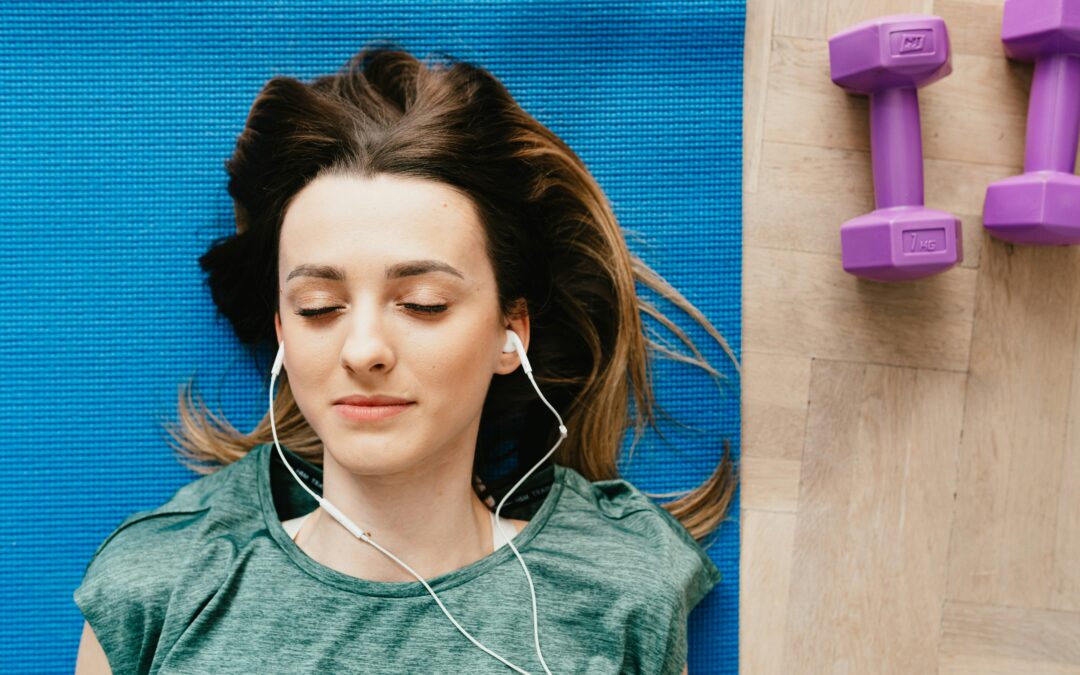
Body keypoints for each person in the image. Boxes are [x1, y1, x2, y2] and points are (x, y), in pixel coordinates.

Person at [73, 43, 739, 674]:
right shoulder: (158, 583)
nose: (364, 350)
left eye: (421, 302)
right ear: (281, 332)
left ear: (512, 332)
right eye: (317, 306)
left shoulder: (614, 587)